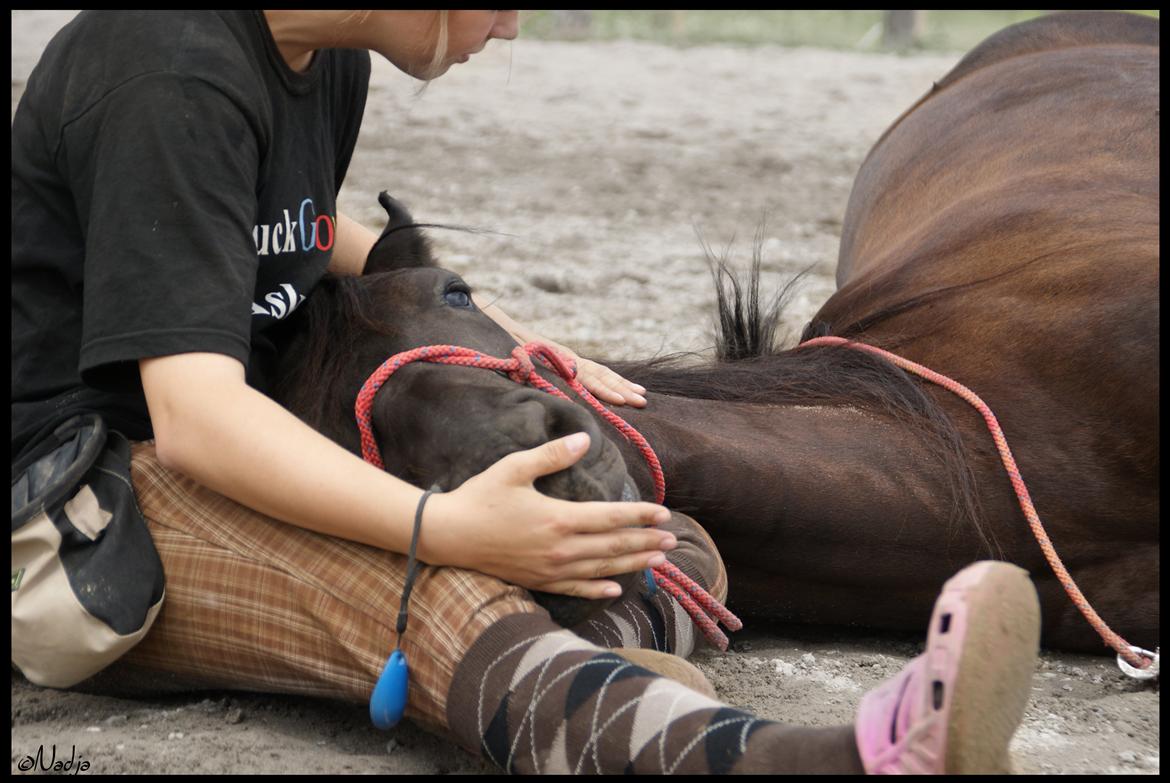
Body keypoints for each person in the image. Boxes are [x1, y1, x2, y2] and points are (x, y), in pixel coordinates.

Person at [11, 11, 1040, 774]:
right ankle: (858, 758)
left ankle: (581, 668)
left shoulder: (316, 63)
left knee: (661, 544)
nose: (508, 26)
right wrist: (441, 527)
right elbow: (196, 420)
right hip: (79, 498)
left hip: (204, 429)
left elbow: (290, 231)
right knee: (438, 597)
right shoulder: (166, 71)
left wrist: (490, 318)